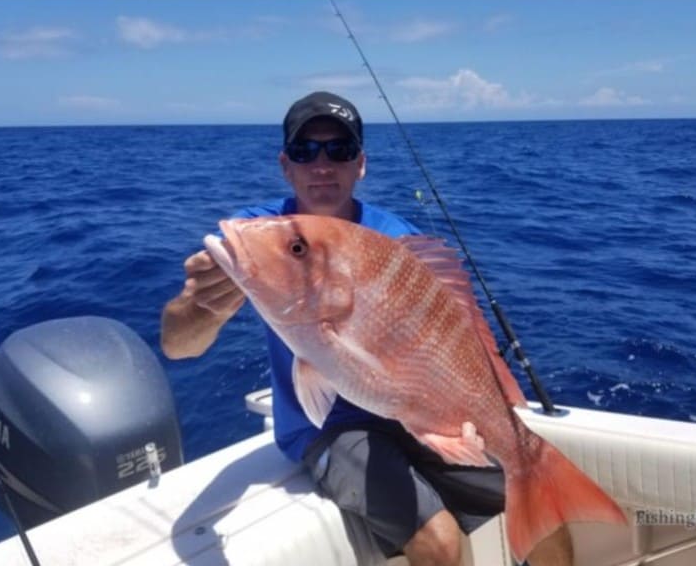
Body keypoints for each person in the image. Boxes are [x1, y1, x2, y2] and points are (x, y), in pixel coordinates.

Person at [161, 91, 573, 566]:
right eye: (305, 151)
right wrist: (202, 306)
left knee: (545, 502)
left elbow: (461, 340)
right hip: (332, 429)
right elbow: (178, 347)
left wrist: (478, 416)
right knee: (439, 541)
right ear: (285, 165)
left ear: (360, 165)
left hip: (417, 410)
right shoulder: (264, 233)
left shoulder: (396, 240)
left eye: (338, 150)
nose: (321, 164)